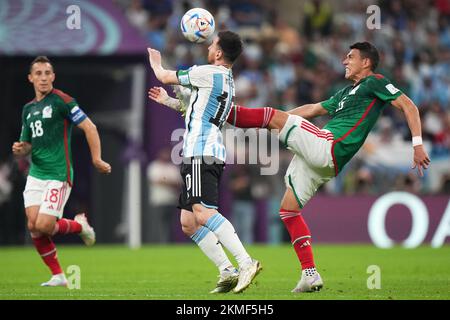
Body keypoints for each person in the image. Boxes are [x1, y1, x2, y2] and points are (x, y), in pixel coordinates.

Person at [149, 41, 431, 293]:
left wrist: (417, 144)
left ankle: (225, 112)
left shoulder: (375, 82)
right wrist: (277, 121)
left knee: (270, 116)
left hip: (330, 146)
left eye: (350, 57)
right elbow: (312, 109)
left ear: (366, 62)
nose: (344, 61)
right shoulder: (348, 92)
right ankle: (310, 274)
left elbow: (408, 106)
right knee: (288, 210)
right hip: (324, 163)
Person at [147, 31, 261, 294]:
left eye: (213, 44)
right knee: (188, 222)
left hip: (201, 151)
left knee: (203, 212)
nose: (209, 46)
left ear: (219, 53)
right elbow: (195, 110)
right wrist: (167, 101)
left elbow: (164, 76)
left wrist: (155, 61)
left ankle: (246, 262)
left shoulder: (209, 72)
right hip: (201, 151)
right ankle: (227, 270)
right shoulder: (226, 80)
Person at [12, 56, 111, 287]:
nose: (43, 78)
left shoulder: (63, 101)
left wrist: (97, 158)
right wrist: (20, 149)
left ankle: (80, 226)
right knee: (33, 226)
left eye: (47, 73)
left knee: (45, 225)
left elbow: (90, 127)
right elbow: (27, 144)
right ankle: (58, 275)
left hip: (58, 173)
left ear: (53, 77)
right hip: (36, 173)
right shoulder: (28, 109)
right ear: (31, 78)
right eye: (38, 73)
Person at [145, 147, 181, 243]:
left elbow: (178, 183)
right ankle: (159, 243)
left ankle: (168, 242)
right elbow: (155, 181)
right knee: (158, 224)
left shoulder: (172, 167)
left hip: (171, 201)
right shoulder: (154, 166)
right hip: (158, 201)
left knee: (170, 224)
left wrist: (165, 181)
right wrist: (169, 182)